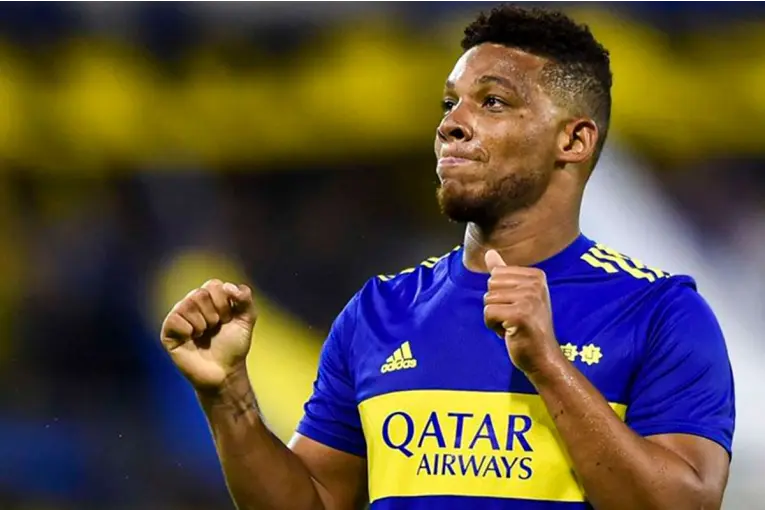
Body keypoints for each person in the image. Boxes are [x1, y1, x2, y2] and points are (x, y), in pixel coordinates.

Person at [159, 4, 735, 509]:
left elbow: (684, 505)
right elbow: (316, 501)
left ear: (573, 140)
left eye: (492, 102)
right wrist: (228, 397)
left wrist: (548, 365)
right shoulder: (380, 312)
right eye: (449, 103)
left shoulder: (658, 314)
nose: (451, 125)